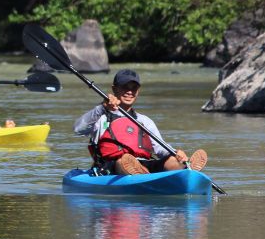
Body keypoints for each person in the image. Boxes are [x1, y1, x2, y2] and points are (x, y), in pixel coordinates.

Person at [73, 68, 208, 175]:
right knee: (123, 161)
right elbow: (78, 129)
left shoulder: (144, 121)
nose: (129, 92)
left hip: (144, 164)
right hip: (112, 168)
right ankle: (140, 174)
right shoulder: (101, 116)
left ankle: (187, 169)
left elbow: (160, 149)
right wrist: (102, 108)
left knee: (172, 160)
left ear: (138, 91)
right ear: (114, 89)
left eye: (134, 88)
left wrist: (176, 153)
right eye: (125, 87)